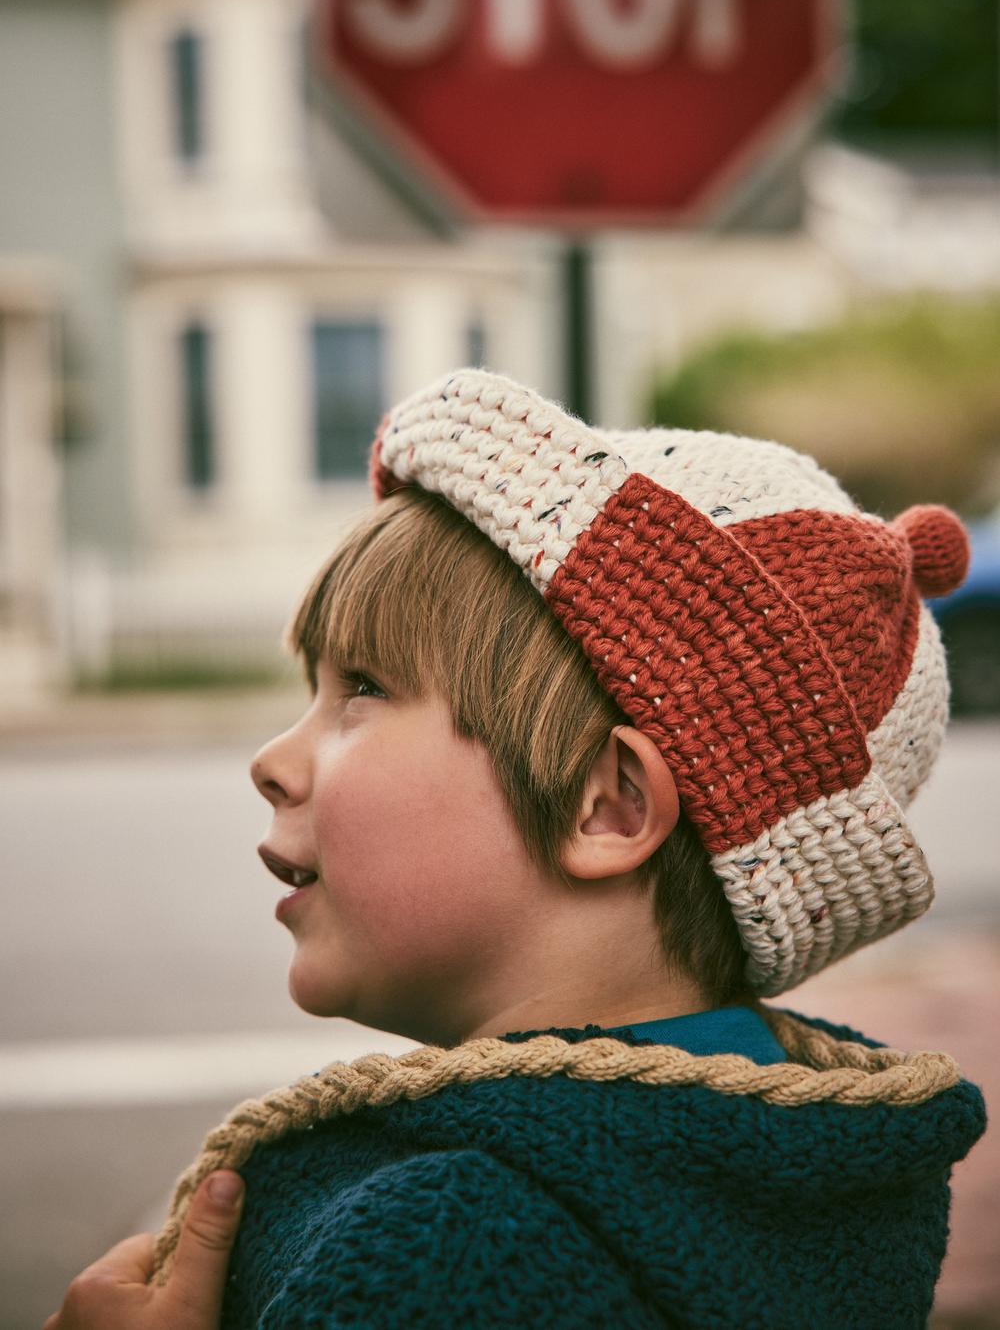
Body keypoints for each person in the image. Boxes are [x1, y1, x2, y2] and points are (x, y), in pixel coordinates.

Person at [47, 365, 988, 1329]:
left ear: (607, 807)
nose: (273, 761)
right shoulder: (820, 1170)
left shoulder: (438, 1250)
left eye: (362, 688)